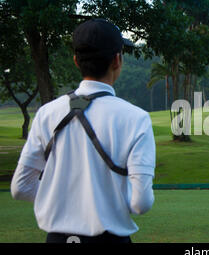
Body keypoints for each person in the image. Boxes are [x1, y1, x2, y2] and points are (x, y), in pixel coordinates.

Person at [10, 18, 156, 243]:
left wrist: (63, 201)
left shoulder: (46, 114)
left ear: (76, 61)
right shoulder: (136, 119)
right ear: (117, 60)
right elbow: (141, 203)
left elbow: (21, 187)